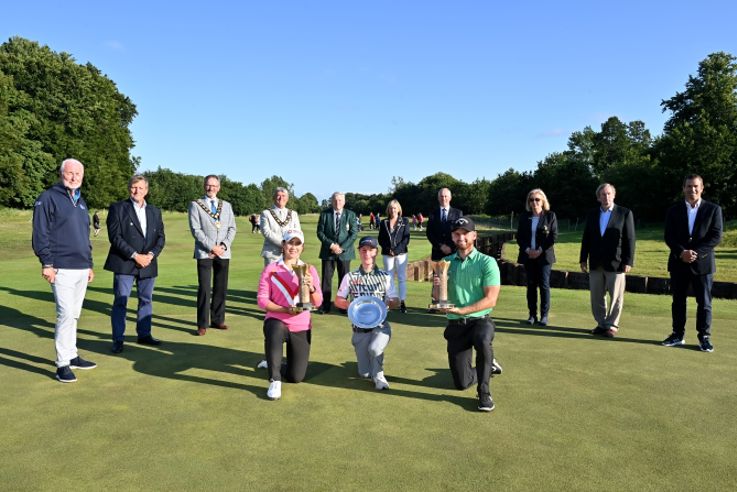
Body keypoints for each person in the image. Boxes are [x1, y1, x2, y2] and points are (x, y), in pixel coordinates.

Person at [32, 158, 97, 383]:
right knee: (66, 314)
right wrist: (46, 263)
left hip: (81, 267)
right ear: (61, 174)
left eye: (78, 174)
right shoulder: (48, 197)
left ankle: (72, 354)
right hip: (60, 266)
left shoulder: (81, 201)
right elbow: (40, 232)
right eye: (70, 173)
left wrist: (89, 264)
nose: (74, 177)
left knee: (74, 314)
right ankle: (62, 364)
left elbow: (85, 235)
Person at [434, 217, 502, 412]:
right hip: (456, 324)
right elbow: (438, 298)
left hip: (480, 320)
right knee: (461, 383)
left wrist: (463, 310)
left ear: (474, 236)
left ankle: (484, 393)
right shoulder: (445, 263)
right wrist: (437, 287)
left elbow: (491, 300)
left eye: (465, 233)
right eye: (457, 234)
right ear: (452, 237)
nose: (461, 237)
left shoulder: (487, 262)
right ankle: (488, 366)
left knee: (483, 340)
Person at [256, 229, 322, 400]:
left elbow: (318, 302)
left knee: (295, 377)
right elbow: (262, 300)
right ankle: (274, 379)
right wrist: (284, 310)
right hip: (277, 319)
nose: (293, 247)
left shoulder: (309, 270)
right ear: (283, 245)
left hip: (301, 325)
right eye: (290, 243)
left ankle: (273, 362)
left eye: (297, 243)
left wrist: (312, 288)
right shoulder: (271, 269)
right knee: (275, 329)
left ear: (302, 247)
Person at [104, 175, 166, 354]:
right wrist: (135, 256)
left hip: (148, 263)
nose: (137, 191)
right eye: (133, 187)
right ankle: (118, 339)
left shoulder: (155, 211)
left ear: (146, 190)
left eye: (140, 188)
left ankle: (144, 334)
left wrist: (150, 255)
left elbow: (161, 237)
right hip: (125, 262)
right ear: (129, 188)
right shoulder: (118, 208)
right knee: (121, 301)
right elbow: (115, 237)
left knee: (146, 300)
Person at [662, 174, 723, 352]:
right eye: (689, 186)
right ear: (683, 188)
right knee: (678, 301)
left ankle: (704, 337)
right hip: (678, 262)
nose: (692, 189)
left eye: (696, 186)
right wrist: (682, 252)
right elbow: (669, 236)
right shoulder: (673, 211)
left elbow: (716, 236)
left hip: (703, 264)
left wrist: (696, 253)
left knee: (704, 303)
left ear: (702, 188)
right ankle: (677, 334)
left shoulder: (713, 209)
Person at [335, 237, 399, 390]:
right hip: (360, 328)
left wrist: (389, 303)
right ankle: (370, 365)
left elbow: (396, 300)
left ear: (376, 252)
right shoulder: (350, 277)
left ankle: (380, 377)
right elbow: (338, 300)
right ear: (359, 252)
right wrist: (351, 305)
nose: (367, 254)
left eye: (371, 250)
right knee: (364, 373)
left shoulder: (385, 276)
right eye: (364, 250)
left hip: (380, 326)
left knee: (375, 349)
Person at [579, 183, 635, 338]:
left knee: (616, 297)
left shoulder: (624, 213)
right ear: (598, 197)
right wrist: (583, 258)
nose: (606, 197)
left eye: (609, 193)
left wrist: (628, 261)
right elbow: (586, 238)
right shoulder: (592, 214)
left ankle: (612, 325)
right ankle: (601, 324)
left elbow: (630, 239)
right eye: (603, 194)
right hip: (596, 262)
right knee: (596, 296)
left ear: (614, 195)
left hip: (617, 262)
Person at [188, 175, 237, 336]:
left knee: (220, 288)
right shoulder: (195, 205)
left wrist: (223, 246)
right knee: (204, 288)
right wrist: (211, 247)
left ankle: (217, 320)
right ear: (204, 186)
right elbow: (196, 230)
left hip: (223, 252)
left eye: (214, 185)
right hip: (205, 252)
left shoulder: (227, 205)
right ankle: (202, 324)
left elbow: (232, 228)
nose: (211, 188)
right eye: (209, 185)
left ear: (219, 187)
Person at [516, 189, 558, 326]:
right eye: (531, 200)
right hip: (528, 256)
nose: (534, 202)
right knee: (531, 285)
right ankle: (532, 315)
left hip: (544, 256)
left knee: (544, 285)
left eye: (537, 199)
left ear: (543, 201)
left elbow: (553, 236)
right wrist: (528, 250)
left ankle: (544, 316)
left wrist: (539, 250)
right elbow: (520, 237)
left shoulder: (550, 216)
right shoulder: (524, 216)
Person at [316, 191, 358, 314]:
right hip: (328, 251)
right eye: (335, 200)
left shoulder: (350, 214)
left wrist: (341, 247)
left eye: (340, 200)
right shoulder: (325, 214)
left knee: (344, 280)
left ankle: (342, 305)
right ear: (332, 201)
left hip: (345, 252)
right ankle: (325, 305)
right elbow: (320, 232)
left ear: (344, 202)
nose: (337, 202)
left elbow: (353, 234)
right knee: (326, 279)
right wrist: (332, 245)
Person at [426, 188, 463, 307]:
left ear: (450, 198)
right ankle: (436, 302)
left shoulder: (458, 213)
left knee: (453, 277)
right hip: (437, 251)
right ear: (438, 198)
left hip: (453, 251)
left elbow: (459, 232)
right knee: (437, 278)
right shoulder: (433, 213)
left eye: (446, 196)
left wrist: (450, 247)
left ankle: (452, 302)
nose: (444, 198)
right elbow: (429, 233)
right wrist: (441, 246)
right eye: (441, 196)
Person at [378, 199, 410, 313]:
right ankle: (390, 301)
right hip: (387, 253)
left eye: (395, 208)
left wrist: (396, 251)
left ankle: (402, 302)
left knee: (401, 278)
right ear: (388, 210)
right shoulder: (384, 222)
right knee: (388, 277)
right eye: (391, 208)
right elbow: (381, 239)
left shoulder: (404, 221)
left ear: (398, 209)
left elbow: (406, 238)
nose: (393, 210)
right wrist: (388, 250)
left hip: (401, 253)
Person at [260, 187, 301, 265]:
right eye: (278, 195)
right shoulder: (266, 213)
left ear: (287, 198)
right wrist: (283, 243)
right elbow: (266, 232)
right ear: (274, 197)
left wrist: (290, 245)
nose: (281, 198)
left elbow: (297, 233)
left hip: (291, 253)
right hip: (272, 254)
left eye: (283, 196)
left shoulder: (293, 214)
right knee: (272, 274)